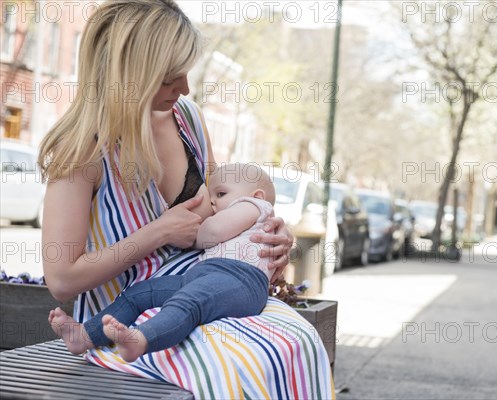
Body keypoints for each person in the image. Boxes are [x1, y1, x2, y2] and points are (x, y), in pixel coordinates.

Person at [38, 1, 334, 398]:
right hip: (123, 321)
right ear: (129, 74)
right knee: (234, 368)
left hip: (206, 290)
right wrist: (157, 232)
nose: (185, 89)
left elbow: (227, 203)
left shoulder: (187, 117)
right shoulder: (81, 152)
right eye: (169, 77)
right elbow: (62, 279)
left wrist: (272, 231)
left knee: (297, 341)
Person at [49, 163, 276, 362]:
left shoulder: (254, 206)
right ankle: (84, 335)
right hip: (205, 275)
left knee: (188, 302)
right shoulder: (244, 210)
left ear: (257, 196)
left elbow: (213, 231)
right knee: (139, 294)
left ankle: (141, 339)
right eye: (212, 195)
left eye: (221, 193)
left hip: (240, 279)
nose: (213, 202)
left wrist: (187, 232)